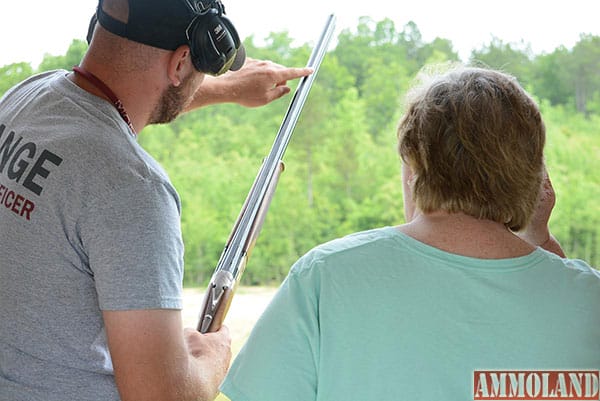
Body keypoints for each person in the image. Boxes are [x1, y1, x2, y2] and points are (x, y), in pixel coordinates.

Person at [220, 66, 600, 401]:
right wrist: (542, 242)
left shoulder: (325, 276)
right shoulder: (587, 297)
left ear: (413, 165)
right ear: (534, 179)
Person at [0, 0, 312, 400]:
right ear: (181, 63)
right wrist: (213, 358)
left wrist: (228, 89)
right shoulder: (134, 190)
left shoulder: (26, 98)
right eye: (199, 70)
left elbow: (113, 103)